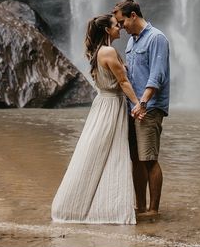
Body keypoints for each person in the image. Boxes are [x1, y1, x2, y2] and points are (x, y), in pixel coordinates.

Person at [51, 13, 143, 224]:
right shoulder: (109, 51)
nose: (119, 27)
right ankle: (106, 209)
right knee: (111, 153)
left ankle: (89, 206)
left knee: (98, 151)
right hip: (111, 105)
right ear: (106, 30)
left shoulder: (97, 51)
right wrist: (138, 104)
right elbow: (123, 82)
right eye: (115, 25)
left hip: (103, 104)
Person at [112, 0, 170, 220]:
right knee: (136, 159)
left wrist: (143, 102)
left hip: (149, 107)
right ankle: (141, 207)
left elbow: (157, 74)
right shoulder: (131, 42)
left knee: (149, 159)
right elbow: (133, 74)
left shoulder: (157, 38)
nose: (121, 27)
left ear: (133, 15)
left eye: (122, 22)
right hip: (132, 106)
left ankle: (154, 209)